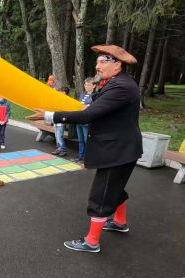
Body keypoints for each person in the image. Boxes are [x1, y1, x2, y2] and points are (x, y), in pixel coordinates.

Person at [27, 44, 142, 253]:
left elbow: (88, 115)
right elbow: (92, 109)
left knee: (101, 194)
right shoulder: (115, 83)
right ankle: (119, 222)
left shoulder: (121, 87)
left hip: (118, 150)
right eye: (97, 61)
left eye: (102, 62)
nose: (97, 66)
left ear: (117, 65)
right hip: (122, 148)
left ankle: (91, 242)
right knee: (114, 189)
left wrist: (49, 115)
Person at [74, 77, 97, 163]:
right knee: (80, 140)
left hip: (86, 121)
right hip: (79, 119)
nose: (86, 86)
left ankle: (88, 157)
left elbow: (94, 107)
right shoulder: (82, 94)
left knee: (86, 140)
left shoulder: (95, 96)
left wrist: (87, 106)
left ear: (94, 86)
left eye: (88, 85)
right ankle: (80, 156)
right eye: (85, 84)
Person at [51, 87, 69, 157]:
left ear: (65, 93)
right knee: (56, 136)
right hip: (56, 121)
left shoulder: (66, 101)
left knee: (59, 136)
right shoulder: (58, 99)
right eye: (60, 91)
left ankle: (63, 150)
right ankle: (59, 148)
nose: (61, 93)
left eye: (62, 91)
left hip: (62, 121)